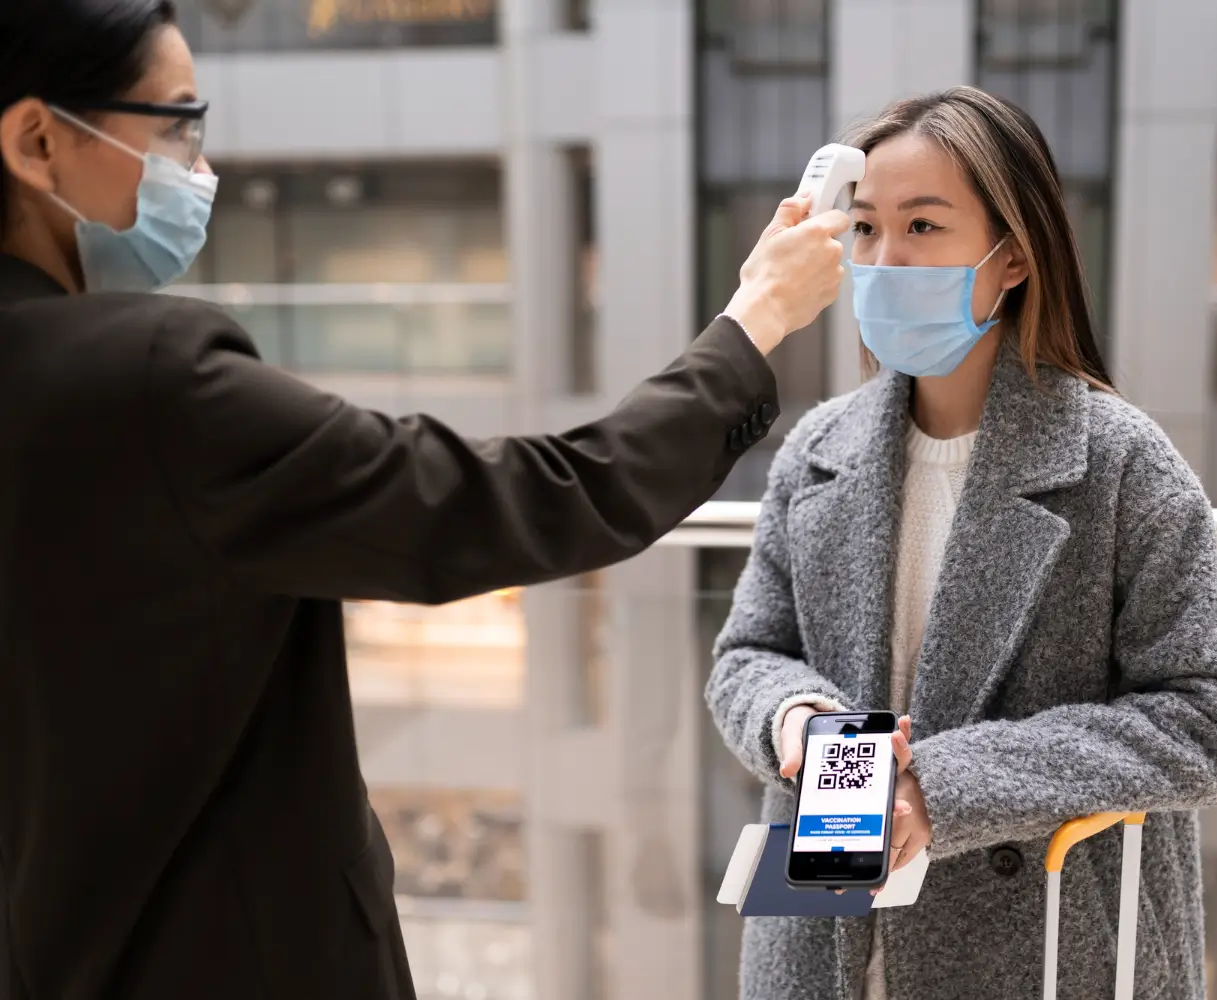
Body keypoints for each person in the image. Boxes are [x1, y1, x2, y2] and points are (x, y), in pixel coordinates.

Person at [0, 2, 850, 998]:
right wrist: (755, 321)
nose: (199, 168)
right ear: (36, 138)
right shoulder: (147, 380)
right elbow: (516, 499)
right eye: (174, 126)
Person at [707, 86, 1217, 1000]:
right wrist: (799, 721)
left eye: (923, 228)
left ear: (1011, 258)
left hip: (1050, 950)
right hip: (820, 952)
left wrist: (945, 785)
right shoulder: (819, 448)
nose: (884, 260)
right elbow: (747, 656)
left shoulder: (1122, 464)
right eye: (863, 230)